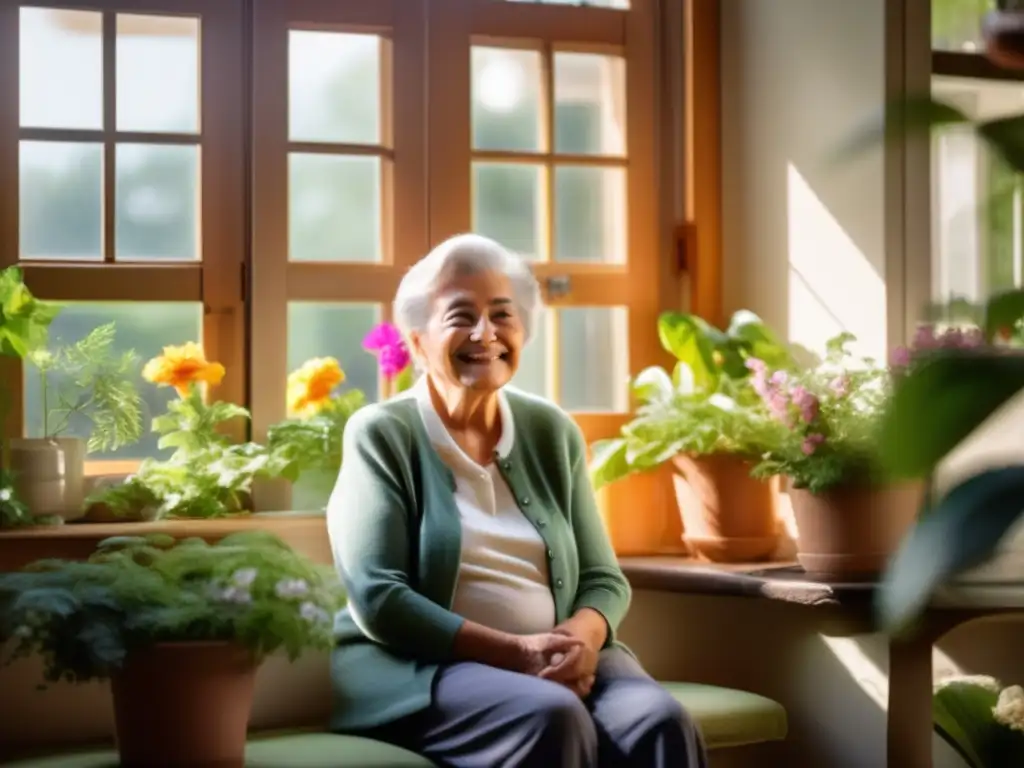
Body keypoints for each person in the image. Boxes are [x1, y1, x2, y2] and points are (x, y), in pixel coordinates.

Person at [327, 233, 708, 767]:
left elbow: (603, 578)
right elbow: (379, 597)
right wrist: (518, 653)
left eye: (502, 315)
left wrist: (582, 639)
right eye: (461, 316)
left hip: (553, 659)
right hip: (424, 670)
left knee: (658, 721)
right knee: (551, 714)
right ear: (416, 342)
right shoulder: (382, 433)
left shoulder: (550, 430)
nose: (487, 334)